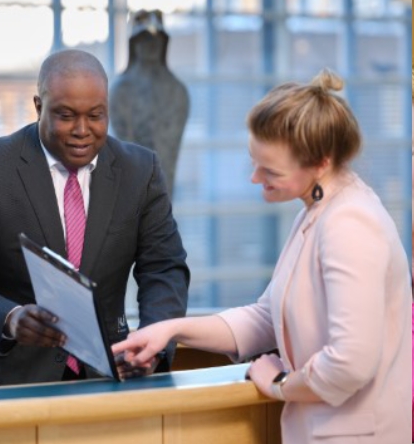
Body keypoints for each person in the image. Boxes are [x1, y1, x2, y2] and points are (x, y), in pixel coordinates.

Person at [113, 69, 411, 443]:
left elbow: (350, 363)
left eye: (269, 170)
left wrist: (281, 382)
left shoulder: (350, 223)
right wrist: (170, 328)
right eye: (253, 161)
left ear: (321, 162)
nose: (255, 178)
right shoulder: (317, 211)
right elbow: (266, 318)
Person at [0, 49, 190, 388]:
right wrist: (9, 317)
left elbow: (164, 268)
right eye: (66, 116)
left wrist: (153, 342)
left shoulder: (140, 170)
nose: (82, 130)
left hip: (108, 376)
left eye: (96, 115)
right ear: (39, 107)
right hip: (5, 381)